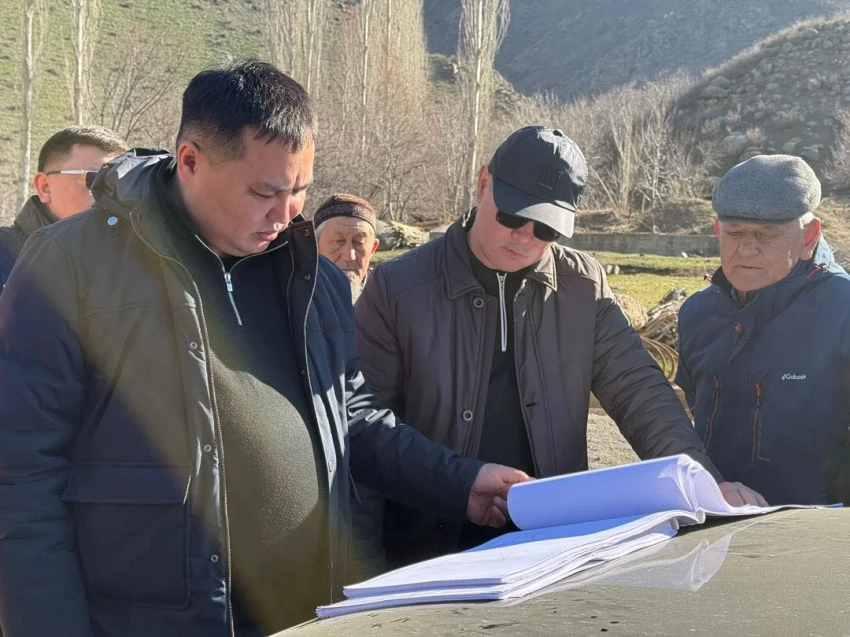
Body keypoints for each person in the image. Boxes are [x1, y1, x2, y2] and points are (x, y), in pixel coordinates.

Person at [0, 60, 529, 637]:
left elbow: (350, 416)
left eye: (300, 190)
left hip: (305, 615)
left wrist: (460, 482)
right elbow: (21, 474)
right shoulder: (71, 265)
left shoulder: (314, 279)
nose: (287, 214)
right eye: (265, 192)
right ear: (190, 161)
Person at [355, 125, 766, 568]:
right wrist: (457, 482)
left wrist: (705, 487)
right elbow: (363, 422)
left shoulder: (583, 286)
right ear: (483, 183)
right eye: (512, 216)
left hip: (551, 548)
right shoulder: (397, 288)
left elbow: (641, 394)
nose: (525, 238)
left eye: (547, 229)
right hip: (426, 550)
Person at [676, 154, 850, 505]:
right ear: (717, 230)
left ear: (809, 237)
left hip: (818, 527)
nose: (746, 250)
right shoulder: (696, 313)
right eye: (734, 233)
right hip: (714, 517)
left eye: (766, 235)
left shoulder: (842, 311)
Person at [0, 125, 128, 287]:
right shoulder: (5, 256)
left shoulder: (134, 266)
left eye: (122, 183)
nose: (112, 196)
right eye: (94, 180)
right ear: (45, 187)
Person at [314, 193, 380, 302]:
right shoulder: (296, 296)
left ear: (373, 248)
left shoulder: (388, 295)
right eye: (338, 241)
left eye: (359, 243)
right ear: (315, 246)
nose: (349, 256)